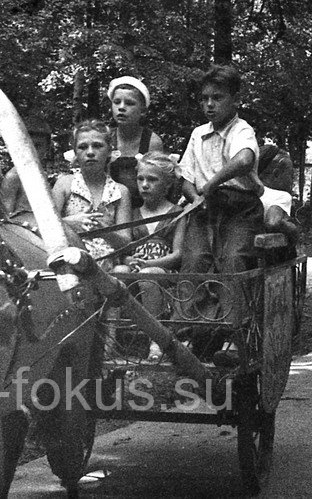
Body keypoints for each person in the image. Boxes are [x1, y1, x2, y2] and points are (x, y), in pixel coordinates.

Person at [178, 65, 264, 275]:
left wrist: (211, 184)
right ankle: (188, 309)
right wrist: (196, 199)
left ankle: (235, 308)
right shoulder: (198, 134)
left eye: (217, 98)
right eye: (204, 98)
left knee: (234, 261)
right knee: (193, 261)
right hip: (205, 209)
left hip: (241, 210)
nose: (209, 104)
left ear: (235, 100)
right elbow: (186, 179)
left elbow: (244, 160)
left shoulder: (241, 130)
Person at [111, 152, 187, 363]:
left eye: (152, 180)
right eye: (141, 179)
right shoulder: (133, 212)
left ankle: (157, 339)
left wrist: (149, 263)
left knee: (148, 274)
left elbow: (178, 254)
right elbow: (124, 250)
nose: (145, 185)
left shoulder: (176, 212)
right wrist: (128, 261)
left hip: (162, 272)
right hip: (135, 266)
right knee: (118, 273)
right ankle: (112, 338)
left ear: (168, 183)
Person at [52, 119, 132, 268]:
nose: (90, 152)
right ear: (75, 152)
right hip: (71, 262)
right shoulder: (65, 184)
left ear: (109, 150)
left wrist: (104, 231)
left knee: (123, 270)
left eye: (97, 146)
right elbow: (45, 226)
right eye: (82, 147)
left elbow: (126, 242)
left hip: (109, 267)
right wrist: (70, 223)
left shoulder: (120, 191)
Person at [106, 76, 165, 208]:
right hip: (111, 205)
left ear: (143, 110)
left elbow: (157, 185)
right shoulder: (106, 138)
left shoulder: (151, 141)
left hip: (142, 208)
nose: (121, 107)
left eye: (129, 103)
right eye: (117, 102)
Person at [0, 116, 52, 218]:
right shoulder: (14, 177)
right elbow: (5, 218)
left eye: (37, 146)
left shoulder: (43, 175)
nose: (32, 151)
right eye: (27, 145)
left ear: (47, 148)